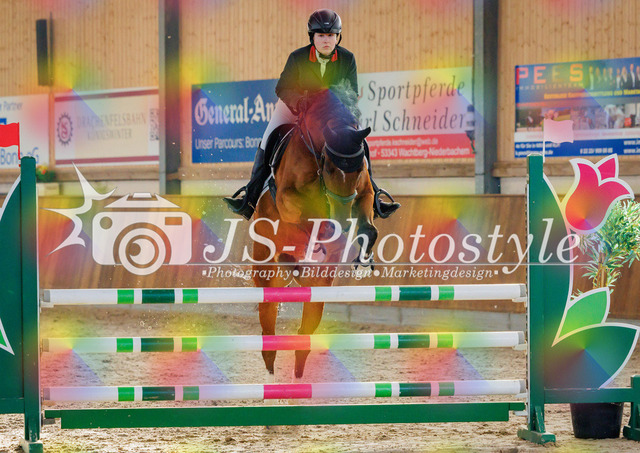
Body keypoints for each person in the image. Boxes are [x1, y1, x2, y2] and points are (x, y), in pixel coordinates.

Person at [224, 9, 400, 220]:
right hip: (295, 107)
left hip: (333, 113)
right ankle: (250, 196)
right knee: (268, 137)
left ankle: (374, 194)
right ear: (312, 37)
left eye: (331, 35)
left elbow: (352, 93)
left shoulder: (347, 58)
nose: (326, 40)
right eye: (321, 35)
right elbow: (282, 88)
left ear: (338, 37)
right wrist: (299, 101)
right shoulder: (297, 57)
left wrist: (336, 108)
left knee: (359, 140)